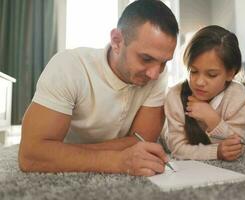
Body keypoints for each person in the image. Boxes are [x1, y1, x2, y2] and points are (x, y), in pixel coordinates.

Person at [18, 0, 178, 177]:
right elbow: (31, 155)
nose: (155, 74)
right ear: (117, 41)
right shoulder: (69, 66)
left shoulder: (157, 74)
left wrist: (62, 152)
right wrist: (116, 160)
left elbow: (142, 139)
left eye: (164, 62)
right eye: (146, 59)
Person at [164, 25, 245, 161]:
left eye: (211, 75)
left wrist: (212, 119)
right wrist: (216, 152)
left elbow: (237, 145)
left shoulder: (239, 97)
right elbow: (177, 149)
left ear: (230, 73)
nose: (199, 82)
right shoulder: (174, 96)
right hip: (165, 136)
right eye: (193, 71)